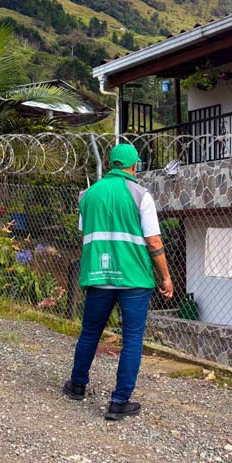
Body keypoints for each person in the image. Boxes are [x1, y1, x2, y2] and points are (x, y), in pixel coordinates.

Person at [63, 143, 174, 421]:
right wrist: (166, 277)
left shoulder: (87, 195)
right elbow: (154, 241)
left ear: (112, 164)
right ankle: (119, 401)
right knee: (132, 339)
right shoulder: (141, 195)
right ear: (135, 166)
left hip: (99, 275)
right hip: (134, 277)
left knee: (90, 332)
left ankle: (77, 385)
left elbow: (85, 231)